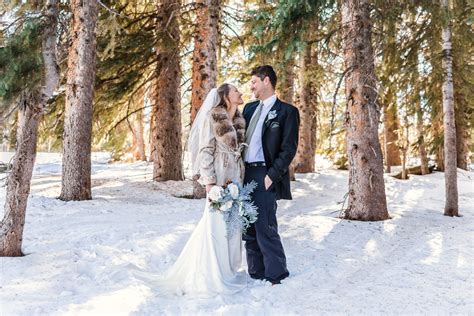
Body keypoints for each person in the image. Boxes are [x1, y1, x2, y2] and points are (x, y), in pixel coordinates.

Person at [158, 83, 248, 296]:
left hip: (236, 179)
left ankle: (228, 270)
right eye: (236, 90)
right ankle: (210, 274)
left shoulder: (239, 120)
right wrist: (209, 182)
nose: (241, 92)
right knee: (215, 226)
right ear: (226, 96)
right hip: (218, 177)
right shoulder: (213, 116)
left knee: (232, 227)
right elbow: (206, 149)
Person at [242, 65, 300, 285]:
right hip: (244, 173)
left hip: (264, 173)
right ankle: (255, 271)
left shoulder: (287, 111)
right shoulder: (248, 109)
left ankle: (276, 273)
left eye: (254, 82)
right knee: (248, 225)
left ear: (266, 81)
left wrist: (270, 176)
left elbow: (288, 149)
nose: (252, 86)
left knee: (265, 224)